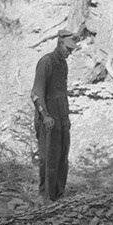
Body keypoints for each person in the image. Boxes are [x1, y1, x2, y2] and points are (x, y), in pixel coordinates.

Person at [31, 30, 79, 200]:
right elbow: (36, 94)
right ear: (59, 43)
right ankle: (45, 198)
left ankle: (59, 196)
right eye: (67, 48)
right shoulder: (47, 62)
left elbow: (61, 93)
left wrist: (66, 118)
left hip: (62, 120)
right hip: (48, 120)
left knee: (62, 159)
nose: (69, 52)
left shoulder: (63, 65)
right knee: (48, 159)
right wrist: (45, 116)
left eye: (71, 50)